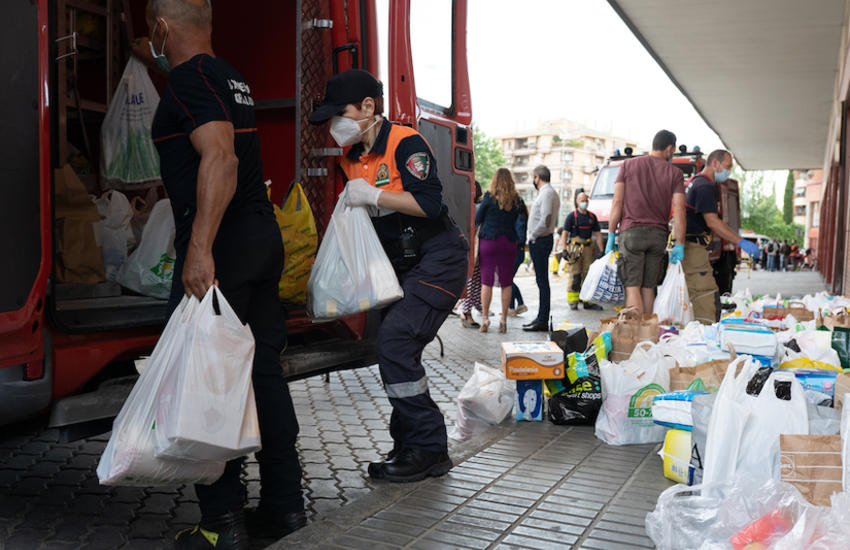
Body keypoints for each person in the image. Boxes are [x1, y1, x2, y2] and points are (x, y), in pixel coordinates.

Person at [143, 1, 304, 547]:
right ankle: (285, 509)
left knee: (206, 381)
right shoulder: (231, 76)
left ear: (161, 27)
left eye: (151, 31)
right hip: (260, 236)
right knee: (262, 374)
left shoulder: (190, 78)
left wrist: (199, 249)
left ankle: (221, 526)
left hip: (226, 246)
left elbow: (221, 159)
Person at [309, 69, 469, 482]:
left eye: (339, 114)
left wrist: (375, 195)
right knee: (396, 349)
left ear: (368, 107)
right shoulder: (349, 159)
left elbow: (431, 205)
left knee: (396, 342)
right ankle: (409, 445)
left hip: (438, 258)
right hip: (401, 266)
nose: (334, 126)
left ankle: (429, 449)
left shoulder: (404, 142)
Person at [606, 130, 686, 314]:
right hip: (658, 235)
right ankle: (647, 335)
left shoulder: (628, 165)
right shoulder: (675, 173)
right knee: (648, 287)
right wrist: (679, 243)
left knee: (632, 286)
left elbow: (617, 202)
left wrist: (611, 234)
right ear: (670, 148)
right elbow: (679, 210)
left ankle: (635, 334)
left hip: (632, 233)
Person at [681, 149, 760, 324]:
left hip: (691, 246)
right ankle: (705, 336)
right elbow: (713, 222)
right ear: (715, 163)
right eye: (727, 166)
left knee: (702, 293)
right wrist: (740, 241)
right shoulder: (704, 186)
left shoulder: (695, 182)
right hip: (693, 248)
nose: (729, 171)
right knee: (706, 296)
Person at [475, 168, 522, 333]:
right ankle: (503, 321)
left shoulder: (488, 198)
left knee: (486, 282)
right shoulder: (517, 200)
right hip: (508, 243)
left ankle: (485, 319)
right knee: (506, 283)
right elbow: (521, 220)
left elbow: (477, 218)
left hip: (489, 242)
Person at [523, 165, 560, 332]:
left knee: (542, 282)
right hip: (541, 239)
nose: (533, 180)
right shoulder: (548, 193)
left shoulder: (547, 193)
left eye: (534, 177)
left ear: (538, 177)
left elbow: (545, 219)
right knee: (541, 281)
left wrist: (532, 235)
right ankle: (540, 317)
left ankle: (542, 320)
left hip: (541, 240)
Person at [558, 192, 604, 311]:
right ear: (577, 201)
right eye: (582, 200)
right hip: (575, 248)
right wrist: (564, 249)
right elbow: (565, 234)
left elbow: (598, 235)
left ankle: (587, 301)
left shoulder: (592, 217)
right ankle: (573, 301)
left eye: (586, 200)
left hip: (588, 248)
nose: (584, 203)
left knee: (588, 275)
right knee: (575, 274)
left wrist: (602, 251)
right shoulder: (571, 216)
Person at [459, 181, 484, 328]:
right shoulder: (477, 207)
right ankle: (467, 312)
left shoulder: (465, 206)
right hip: (475, 247)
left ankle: (467, 310)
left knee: (471, 281)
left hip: (468, 246)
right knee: (473, 281)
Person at [508, 197, 529, 316]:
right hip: (517, 252)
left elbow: (520, 237)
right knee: (508, 279)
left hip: (515, 252)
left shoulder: (519, 217)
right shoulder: (521, 216)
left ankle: (515, 306)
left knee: (508, 280)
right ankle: (516, 306)